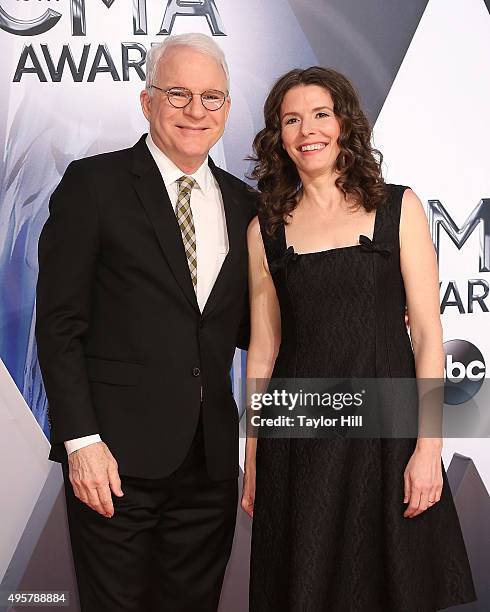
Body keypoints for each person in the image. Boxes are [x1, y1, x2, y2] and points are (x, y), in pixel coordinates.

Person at [35, 33, 256, 611]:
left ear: (227, 110)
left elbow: (252, 329)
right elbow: (58, 325)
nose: (195, 111)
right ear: (146, 100)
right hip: (113, 462)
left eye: (212, 98)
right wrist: (81, 441)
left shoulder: (246, 204)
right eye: (178, 93)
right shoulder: (94, 185)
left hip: (209, 466)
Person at [242, 67, 476, 611]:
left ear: (345, 123)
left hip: (387, 440)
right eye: (291, 120)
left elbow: (427, 333)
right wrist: (253, 457)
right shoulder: (266, 231)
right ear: (279, 136)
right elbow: (263, 350)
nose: (308, 131)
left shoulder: (400, 208)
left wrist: (429, 446)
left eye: (320, 114)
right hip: (299, 442)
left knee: (393, 591)